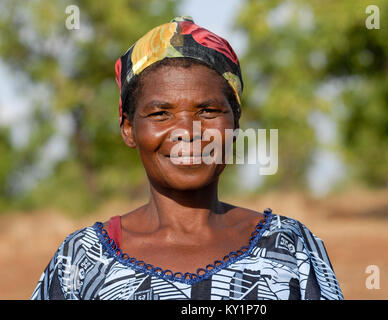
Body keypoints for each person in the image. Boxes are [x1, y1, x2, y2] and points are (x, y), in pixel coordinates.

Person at [31, 16, 343, 300]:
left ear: (234, 123)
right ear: (128, 129)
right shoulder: (80, 261)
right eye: (160, 113)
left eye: (208, 111)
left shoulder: (291, 247)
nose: (187, 132)